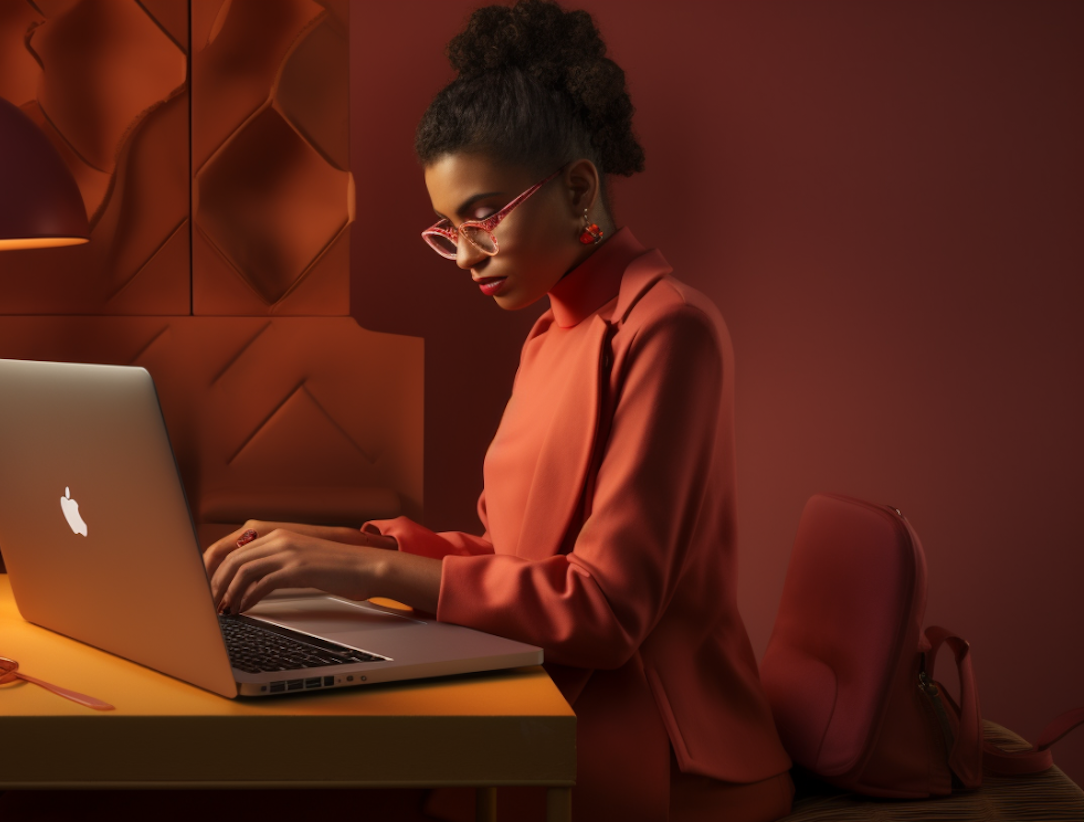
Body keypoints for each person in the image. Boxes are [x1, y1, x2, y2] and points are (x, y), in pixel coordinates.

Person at [202, 1, 795, 819]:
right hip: (539, 703)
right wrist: (330, 545)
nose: (465, 256)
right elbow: (510, 557)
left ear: (579, 187)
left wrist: (367, 573)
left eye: (481, 217)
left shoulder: (668, 330)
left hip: (653, 756)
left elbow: (605, 611)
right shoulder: (553, 329)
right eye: (448, 229)